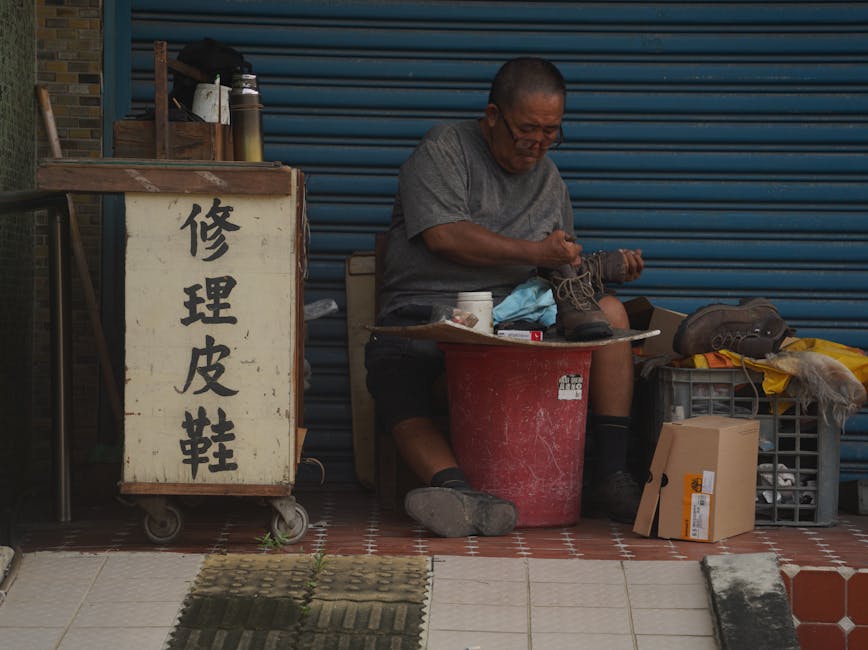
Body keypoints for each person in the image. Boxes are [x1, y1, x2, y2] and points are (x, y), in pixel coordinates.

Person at [365, 57, 644, 537]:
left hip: (518, 319)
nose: (537, 144)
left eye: (551, 132)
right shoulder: (444, 149)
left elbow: (558, 270)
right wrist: (536, 251)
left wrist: (595, 265)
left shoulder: (550, 179)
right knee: (393, 373)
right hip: (427, 312)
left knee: (612, 312)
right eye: (526, 130)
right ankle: (460, 494)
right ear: (493, 116)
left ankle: (610, 476)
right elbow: (444, 236)